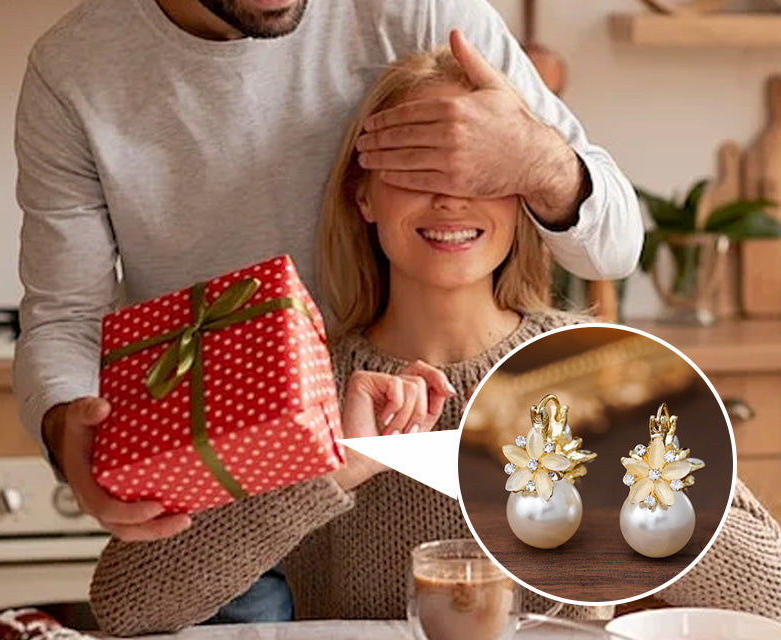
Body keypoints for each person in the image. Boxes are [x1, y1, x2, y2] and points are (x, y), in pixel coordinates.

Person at [12, 0, 641, 618]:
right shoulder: (74, 71)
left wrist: (535, 158)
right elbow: (65, 318)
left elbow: (615, 240)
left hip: (385, 447)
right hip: (227, 496)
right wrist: (67, 425)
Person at [88, 48, 781, 634]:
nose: (451, 198)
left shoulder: (599, 369)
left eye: (481, 173)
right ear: (363, 197)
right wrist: (333, 469)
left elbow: (772, 595)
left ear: (522, 195)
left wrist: (634, 480)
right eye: (417, 171)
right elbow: (124, 605)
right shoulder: (307, 387)